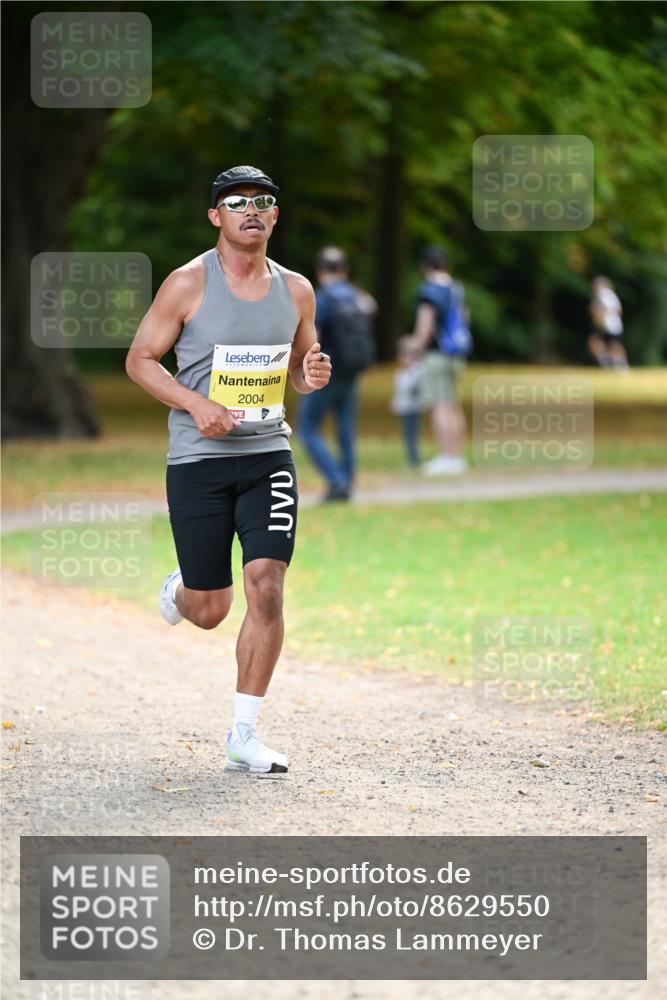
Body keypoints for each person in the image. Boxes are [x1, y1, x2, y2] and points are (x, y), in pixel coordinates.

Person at [125, 165, 332, 774]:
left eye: (262, 202)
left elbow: (301, 369)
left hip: (269, 456)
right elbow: (140, 359)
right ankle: (181, 588)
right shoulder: (188, 283)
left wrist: (309, 376)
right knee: (211, 609)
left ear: (275, 216)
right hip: (199, 459)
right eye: (236, 202)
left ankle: (244, 734)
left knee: (266, 584)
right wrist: (197, 405)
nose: (251, 211)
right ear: (216, 216)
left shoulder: (297, 290)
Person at [297, 247, 376, 501]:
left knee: (307, 428)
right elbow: (372, 307)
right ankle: (348, 480)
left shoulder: (322, 297)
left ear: (320, 271)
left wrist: (305, 366)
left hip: (327, 370)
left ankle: (337, 480)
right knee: (345, 428)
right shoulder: (356, 296)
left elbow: (315, 336)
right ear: (345, 270)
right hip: (351, 369)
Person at [409, 246, 470, 476]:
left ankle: (446, 457)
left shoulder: (428, 290)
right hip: (456, 353)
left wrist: (414, 348)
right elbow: (464, 318)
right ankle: (457, 456)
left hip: (436, 354)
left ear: (425, 265)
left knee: (439, 405)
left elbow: (425, 327)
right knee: (453, 404)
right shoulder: (456, 287)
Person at [390, 336, 424, 468]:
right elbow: (400, 392)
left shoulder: (417, 372)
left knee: (412, 435)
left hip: (413, 408)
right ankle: (411, 458)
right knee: (407, 435)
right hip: (404, 408)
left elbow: (415, 390)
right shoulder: (400, 373)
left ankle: (414, 459)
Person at [588, 276, 628, 370]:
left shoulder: (603, 294)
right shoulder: (611, 295)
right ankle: (617, 363)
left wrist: (600, 316)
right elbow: (619, 310)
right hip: (613, 325)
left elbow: (598, 309)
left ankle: (610, 362)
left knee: (601, 343)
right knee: (612, 344)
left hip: (607, 325)